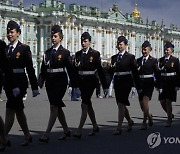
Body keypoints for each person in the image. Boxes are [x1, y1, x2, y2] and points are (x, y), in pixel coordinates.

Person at [4, 20, 39, 146]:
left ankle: (3, 138)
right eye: (8, 32)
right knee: (18, 110)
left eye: (12, 32)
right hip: (8, 83)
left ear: (18, 33)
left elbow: (30, 69)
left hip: (20, 84)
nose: (9, 34)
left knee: (10, 109)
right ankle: (27, 135)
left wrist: (34, 87)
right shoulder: (5, 49)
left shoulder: (24, 49)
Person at [38, 25, 75, 142]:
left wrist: (73, 85)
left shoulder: (65, 53)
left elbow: (70, 69)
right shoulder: (47, 52)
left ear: (61, 38)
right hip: (50, 83)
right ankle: (66, 130)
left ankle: (47, 134)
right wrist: (39, 83)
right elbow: (43, 69)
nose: (53, 38)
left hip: (60, 82)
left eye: (55, 36)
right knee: (56, 107)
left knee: (54, 107)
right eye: (52, 36)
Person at [73, 32, 108, 138]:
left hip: (91, 82)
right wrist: (73, 85)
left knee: (84, 104)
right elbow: (75, 71)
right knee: (88, 105)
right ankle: (95, 126)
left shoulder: (95, 54)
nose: (83, 43)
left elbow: (100, 71)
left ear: (89, 42)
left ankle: (79, 129)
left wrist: (105, 86)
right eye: (82, 41)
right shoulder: (78, 54)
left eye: (85, 41)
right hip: (81, 82)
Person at [109, 36, 141, 135]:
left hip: (126, 82)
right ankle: (130, 121)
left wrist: (137, 86)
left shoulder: (130, 57)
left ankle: (119, 127)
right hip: (117, 82)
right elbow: (110, 72)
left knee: (121, 103)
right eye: (118, 44)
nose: (119, 46)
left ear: (126, 45)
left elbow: (135, 72)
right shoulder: (114, 58)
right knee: (120, 104)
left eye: (121, 44)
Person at [0, 40, 20, 152]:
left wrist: (14, 85)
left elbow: (6, 66)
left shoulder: (0, 45)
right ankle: (4, 137)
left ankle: (3, 137)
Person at [136, 41, 160, 130]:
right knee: (142, 105)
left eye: (145, 50)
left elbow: (157, 73)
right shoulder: (138, 60)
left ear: (149, 50)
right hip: (140, 83)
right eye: (143, 49)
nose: (144, 51)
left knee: (145, 101)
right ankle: (149, 116)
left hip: (149, 83)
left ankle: (144, 122)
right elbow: (135, 73)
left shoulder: (153, 60)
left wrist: (158, 85)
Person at [158, 41, 180, 127]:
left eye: (167, 49)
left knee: (168, 101)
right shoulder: (161, 60)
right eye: (165, 50)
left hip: (171, 82)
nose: (166, 51)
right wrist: (158, 85)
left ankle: (169, 119)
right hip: (163, 82)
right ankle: (170, 114)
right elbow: (158, 73)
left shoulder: (175, 60)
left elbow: (179, 72)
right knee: (162, 101)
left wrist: (178, 85)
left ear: (171, 50)